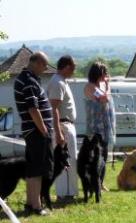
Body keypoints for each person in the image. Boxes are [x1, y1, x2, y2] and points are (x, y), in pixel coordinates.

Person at [14, 52, 53, 216]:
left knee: (32, 168)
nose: (45, 70)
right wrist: (44, 130)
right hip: (37, 131)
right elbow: (33, 109)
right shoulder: (29, 81)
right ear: (36, 63)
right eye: (44, 66)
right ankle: (36, 206)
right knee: (37, 169)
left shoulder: (23, 78)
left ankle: (30, 203)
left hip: (31, 130)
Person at [47, 55, 78, 201]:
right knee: (63, 161)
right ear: (66, 67)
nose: (74, 71)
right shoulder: (57, 82)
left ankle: (70, 193)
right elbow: (54, 108)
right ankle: (63, 194)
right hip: (63, 125)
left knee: (70, 160)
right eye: (73, 68)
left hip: (67, 125)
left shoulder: (63, 82)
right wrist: (58, 132)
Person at [84, 62, 116, 189]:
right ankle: (94, 184)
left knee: (103, 157)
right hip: (95, 129)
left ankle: (100, 183)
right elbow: (104, 99)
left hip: (105, 129)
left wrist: (106, 86)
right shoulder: (90, 87)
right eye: (104, 72)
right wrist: (108, 86)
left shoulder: (100, 86)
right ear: (98, 73)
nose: (106, 75)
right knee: (96, 158)